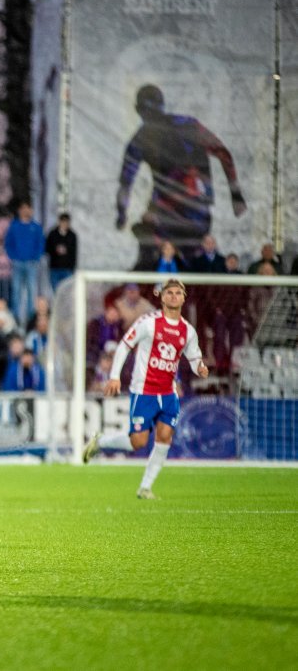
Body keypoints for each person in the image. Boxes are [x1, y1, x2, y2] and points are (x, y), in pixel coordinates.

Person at [83, 279, 208, 499]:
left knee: (165, 437)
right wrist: (114, 376)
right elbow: (124, 345)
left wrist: (200, 367)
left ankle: (145, 487)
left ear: (183, 298)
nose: (173, 296)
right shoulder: (148, 322)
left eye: (178, 293)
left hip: (168, 393)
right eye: (169, 293)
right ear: (162, 297)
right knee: (138, 442)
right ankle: (100, 442)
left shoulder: (188, 331)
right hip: (144, 391)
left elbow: (194, 357)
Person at [117, 84, 246, 269]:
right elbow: (223, 154)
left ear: (138, 110)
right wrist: (236, 194)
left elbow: (125, 183)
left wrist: (122, 214)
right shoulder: (186, 125)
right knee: (175, 257)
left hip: (177, 209)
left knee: (163, 255)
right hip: (190, 208)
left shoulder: (144, 136)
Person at [4, 201, 43, 324]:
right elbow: (8, 243)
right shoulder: (14, 226)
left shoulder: (36, 227)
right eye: (23, 208)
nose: (26, 211)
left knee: (32, 291)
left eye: (28, 208)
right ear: (19, 210)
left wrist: (35, 257)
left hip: (31, 263)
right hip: (17, 263)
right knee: (16, 291)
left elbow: (40, 243)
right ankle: (15, 318)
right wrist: (13, 257)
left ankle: (31, 319)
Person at [44, 212, 77, 292]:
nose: (64, 224)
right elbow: (47, 249)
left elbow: (74, 253)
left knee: (67, 291)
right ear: (59, 222)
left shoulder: (72, 235)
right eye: (63, 221)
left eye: (66, 222)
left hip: (67, 269)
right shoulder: (52, 234)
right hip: (54, 268)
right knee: (56, 291)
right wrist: (56, 250)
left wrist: (72, 268)